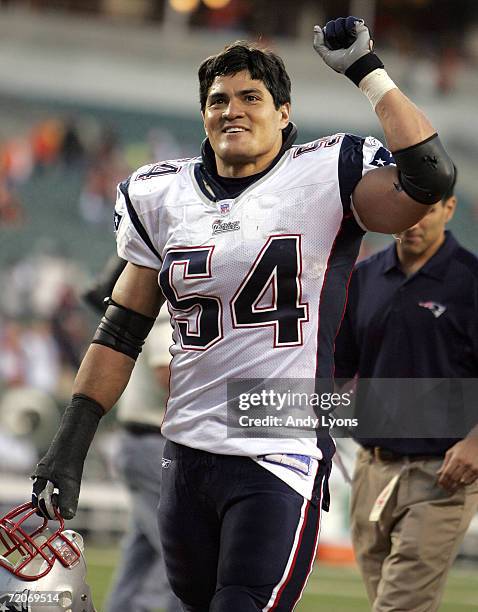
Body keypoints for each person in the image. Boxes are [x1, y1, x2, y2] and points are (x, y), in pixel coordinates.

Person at [31, 16, 455, 612]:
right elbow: (121, 329)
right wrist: (69, 443)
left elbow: (430, 177)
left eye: (251, 97)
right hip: (185, 455)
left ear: (283, 112)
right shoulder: (161, 196)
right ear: (203, 115)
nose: (232, 110)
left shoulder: (327, 174)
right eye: (218, 100)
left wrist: (366, 71)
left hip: (277, 453)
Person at [334, 172, 478, 612]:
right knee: (390, 601)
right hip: (371, 468)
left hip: (444, 473)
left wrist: (476, 442)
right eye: (406, 211)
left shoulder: (471, 282)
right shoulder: (363, 278)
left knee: (398, 606)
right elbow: (339, 369)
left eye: (427, 210)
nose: (413, 222)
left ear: (449, 209)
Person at [83, 255, 182, 612]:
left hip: (144, 441)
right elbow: (165, 372)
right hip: (152, 443)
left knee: (142, 552)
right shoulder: (166, 309)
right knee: (182, 557)